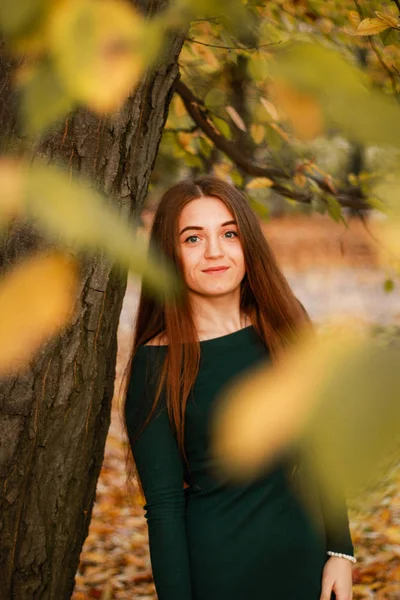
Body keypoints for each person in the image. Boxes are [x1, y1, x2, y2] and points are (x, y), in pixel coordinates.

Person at [123, 176, 355, 600]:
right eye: (193, 239)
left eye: (229, 233)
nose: (215, 251)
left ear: (247, 242)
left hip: (308, 564)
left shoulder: (286, 325)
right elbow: (165, 508)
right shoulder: (155, 364)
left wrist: (341, 550)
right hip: (220, 574)